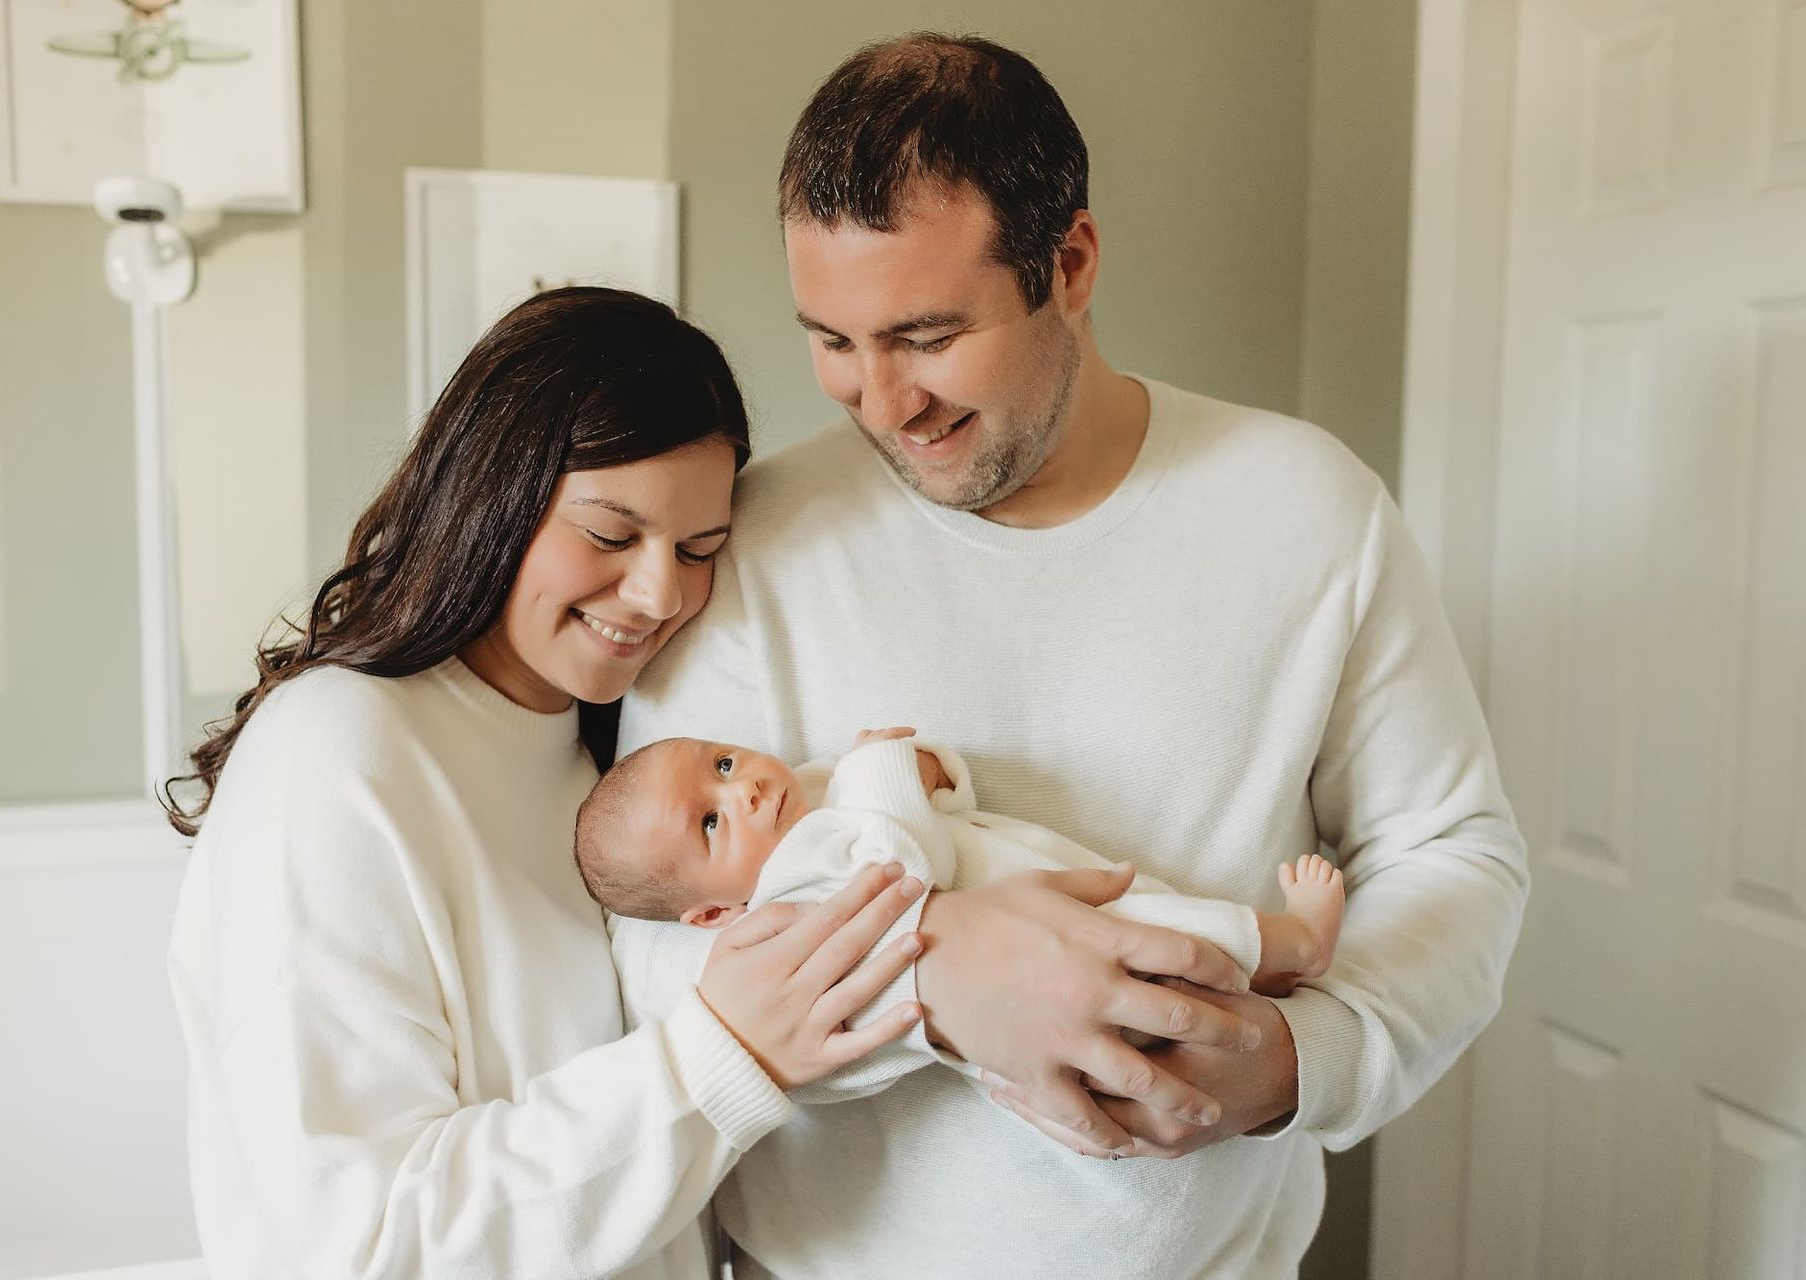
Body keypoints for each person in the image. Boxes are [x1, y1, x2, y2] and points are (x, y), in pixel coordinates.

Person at [614, 32, 1531, 1278]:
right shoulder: (752, 540)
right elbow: (662, 940)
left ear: (1072, 261)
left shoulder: (1308, 508)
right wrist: (937, 979)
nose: (883, 404)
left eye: (928, 336)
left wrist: (1302, 1062)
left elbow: (1453, 850)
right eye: (834, 341)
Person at [163, 287, 935, 1279]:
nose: (662, 595)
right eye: (612, 535)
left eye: (699, 550)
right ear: (493, 493)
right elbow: (354, 1244)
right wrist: (720, 1056)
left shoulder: (610, 758)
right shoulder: (337, 748)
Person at [576, 729, 1344, 1002]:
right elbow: (908, 867)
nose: (740, 788)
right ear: (712, 914)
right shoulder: (794, 893)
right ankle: (1297, 944)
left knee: (1160, 907)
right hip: (1046, 932)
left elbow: (932, 804)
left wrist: (927, 767)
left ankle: (1259, 969)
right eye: (711, 822)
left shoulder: (803, 794)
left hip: (1047, 876)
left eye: (721, 761)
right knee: (1162, 929)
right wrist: (879, 767)